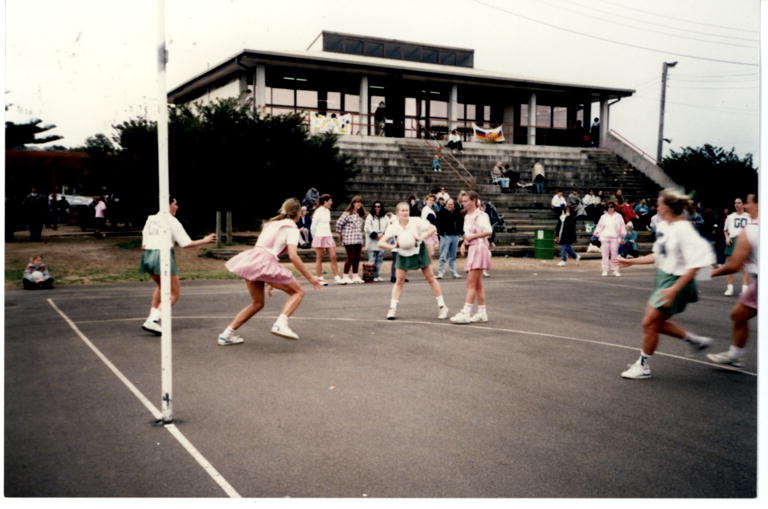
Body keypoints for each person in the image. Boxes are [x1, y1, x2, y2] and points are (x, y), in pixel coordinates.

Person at [618, 189, 715, 380]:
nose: (657, 207)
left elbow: (697, 264)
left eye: (660, 204)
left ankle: (643, 366)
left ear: (669, 207)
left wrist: (675, 289)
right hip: (664, 278)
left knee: (649, 323)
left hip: (677, 280)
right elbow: (657, 255)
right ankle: (693, 340)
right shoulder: (664, 227)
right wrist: (632, 262)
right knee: (655, 323)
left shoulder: (685, 230)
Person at [218, 198, 322, 345]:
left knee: (257, 303)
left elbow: (266, 248)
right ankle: (281, 323)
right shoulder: (292, 227)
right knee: (298, 292)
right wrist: (310, 277)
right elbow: (293, 255)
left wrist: (272, 279)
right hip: (263, 263)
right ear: (299, 212)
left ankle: (226, 335)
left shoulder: (271, 225)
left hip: (252, 260)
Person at [139, 196, 217, 335]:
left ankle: (152, 318)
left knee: (161, 287)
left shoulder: (151, 219)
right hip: (162, 255)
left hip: (147, 255)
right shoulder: (171, 221)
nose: (177, 206)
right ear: (168, 205)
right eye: (175, 204)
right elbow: (186, 243)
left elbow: (143, 244)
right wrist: (205, 240)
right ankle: (153, 320)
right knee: (174, 293)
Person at [707, 192, 758, 369]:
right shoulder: (746, 225)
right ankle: (736, 355)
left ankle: (736, 355)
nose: (745, 206)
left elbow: (733, 265)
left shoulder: (751, 229)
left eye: (749, 203)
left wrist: (707, 274)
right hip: (757, 283)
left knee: (738, 314)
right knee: (738, 314)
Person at [378, 202, 449, 320]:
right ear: (397, 213)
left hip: (419, 250)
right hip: (402, 253)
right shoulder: (393, 226)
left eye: (407, 210)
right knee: (399, 280)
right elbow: (381, 243)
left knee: (430, 278)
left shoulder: (416, 221)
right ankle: (392, 309)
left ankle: (442, 306)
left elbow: (433, 228)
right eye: (402, 211)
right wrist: (394, 247)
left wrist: (421, 237)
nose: (405, 212)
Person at [450, 191, 493, 323]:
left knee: (471, 282)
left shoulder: (481, 215)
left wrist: (471, 237)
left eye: (466, 201)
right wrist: (464, 243)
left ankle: (466, 312)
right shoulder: (467, 216)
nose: (463, 203)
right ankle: (482, 312)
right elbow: (467, 234)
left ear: (474, 200)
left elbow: (488, 231)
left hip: (480, 249)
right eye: (462, 201)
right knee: (478, 284)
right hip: (474, 248)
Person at [310, 193, 342, 286]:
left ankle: (336, 277)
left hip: (328, 236)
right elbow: (313, 226)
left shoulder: (328, 211)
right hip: (319, 236)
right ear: (325, 201)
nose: (331, 202)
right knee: (319, 258)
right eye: (330, 201)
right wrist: (315, 237)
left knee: (333, 256)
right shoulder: (318, 211)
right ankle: (320, 278)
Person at [723, 197, 751, 296]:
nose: (736, 205)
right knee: (730, 267)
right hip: (733, 241)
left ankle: (745, 289)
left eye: (739, 203)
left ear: (743, 204)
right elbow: (725, 230)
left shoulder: (749, 216)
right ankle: (729, 288)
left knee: (744, 266)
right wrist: (727, 238)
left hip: (744, 241)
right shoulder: (730, 217)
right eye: (735, 203)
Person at [336, 195, 366, 284]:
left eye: (360, 202)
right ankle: (345, 276)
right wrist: (341, 235)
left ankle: (355, 275)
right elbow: (338, 224)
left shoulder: (359, 214)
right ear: (353, 203)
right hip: (349, 239)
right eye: (357, 202)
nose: (359, 204)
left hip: (358, 239)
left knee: (357, 258)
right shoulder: (347, 213)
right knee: (350, 257)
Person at [594, 202, 626, 276]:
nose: (610, 208)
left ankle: (615, 270)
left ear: (614, 207)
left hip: (615, 237)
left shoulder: (619, 216)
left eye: (612, 207)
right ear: (607, 208)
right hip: (605, 237)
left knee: (614, 254)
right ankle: (605, 270)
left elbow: (622, 226)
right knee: (605, 254)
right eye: (609, 207)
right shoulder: (603, 217)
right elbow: (599, 226)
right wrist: (597, 233)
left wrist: (622, 236)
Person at [436, 198, 462, 279]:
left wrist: (459, 233)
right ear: (446, 204)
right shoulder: (441, 212)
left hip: (455, 236)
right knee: (443, 255)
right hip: (445, 236)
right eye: (449, 204)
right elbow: (438, 224)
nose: (450, 206)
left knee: (453, 256)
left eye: (452, 204)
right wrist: (442, 233)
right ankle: (440, 272)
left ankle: (453, 272)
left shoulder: (457, 212)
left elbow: (461, 222)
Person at [364, 200, 389, 282]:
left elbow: (388, 227)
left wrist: (383, 235)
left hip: (381, 241)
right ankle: (370, 275)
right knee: (371, 259)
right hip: (372, 241)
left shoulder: (385, 217)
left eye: (379, 206)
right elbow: (367, 227)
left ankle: (377, 275)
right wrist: (375, 235)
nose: (377, 208)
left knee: (379, 260)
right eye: (375, 206)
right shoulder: (370, 216)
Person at [420, 194, 440, 258]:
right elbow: (432, 222)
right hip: (427, 233)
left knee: (431, 253)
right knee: (430, 253)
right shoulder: (425, 209)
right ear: (426, 201)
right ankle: (427, 267)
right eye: (430, 200)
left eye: (432, 200)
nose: (431, 201)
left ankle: (428, 267)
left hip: (432, 233)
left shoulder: (431, 210)